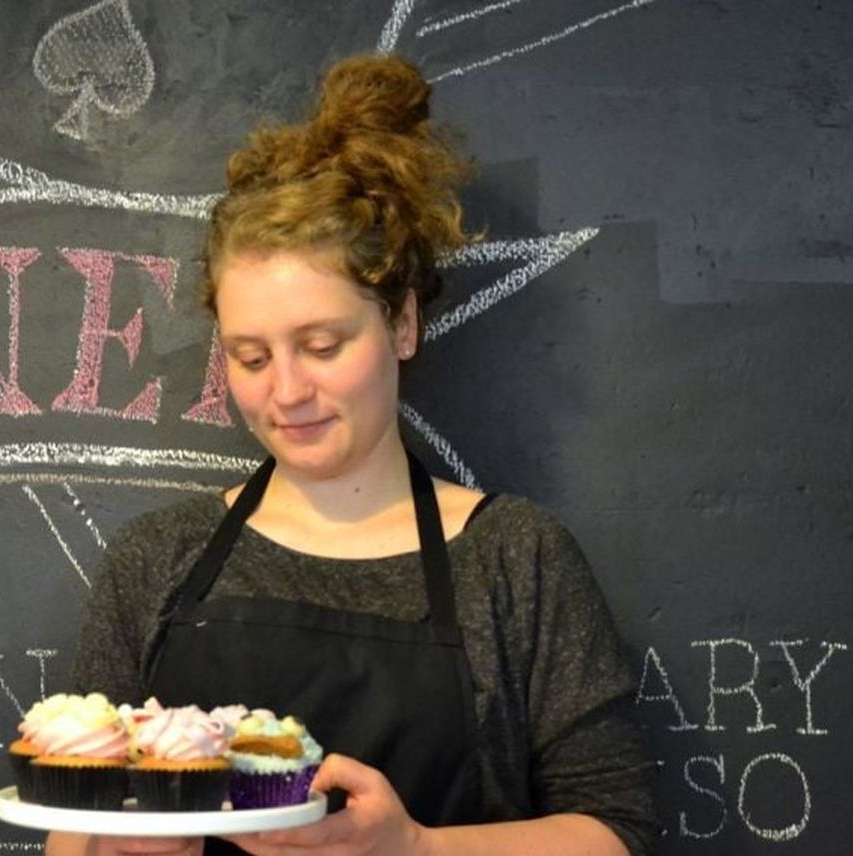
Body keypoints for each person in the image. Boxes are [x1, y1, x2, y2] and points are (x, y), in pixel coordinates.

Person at [46, 54, 657, 856]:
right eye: (252, 357)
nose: (286, 392)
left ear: (402, 324)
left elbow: (617, 833)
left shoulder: (516, 560)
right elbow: (70, 833)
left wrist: (416, 849)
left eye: (323, 345)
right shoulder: (157, 560)